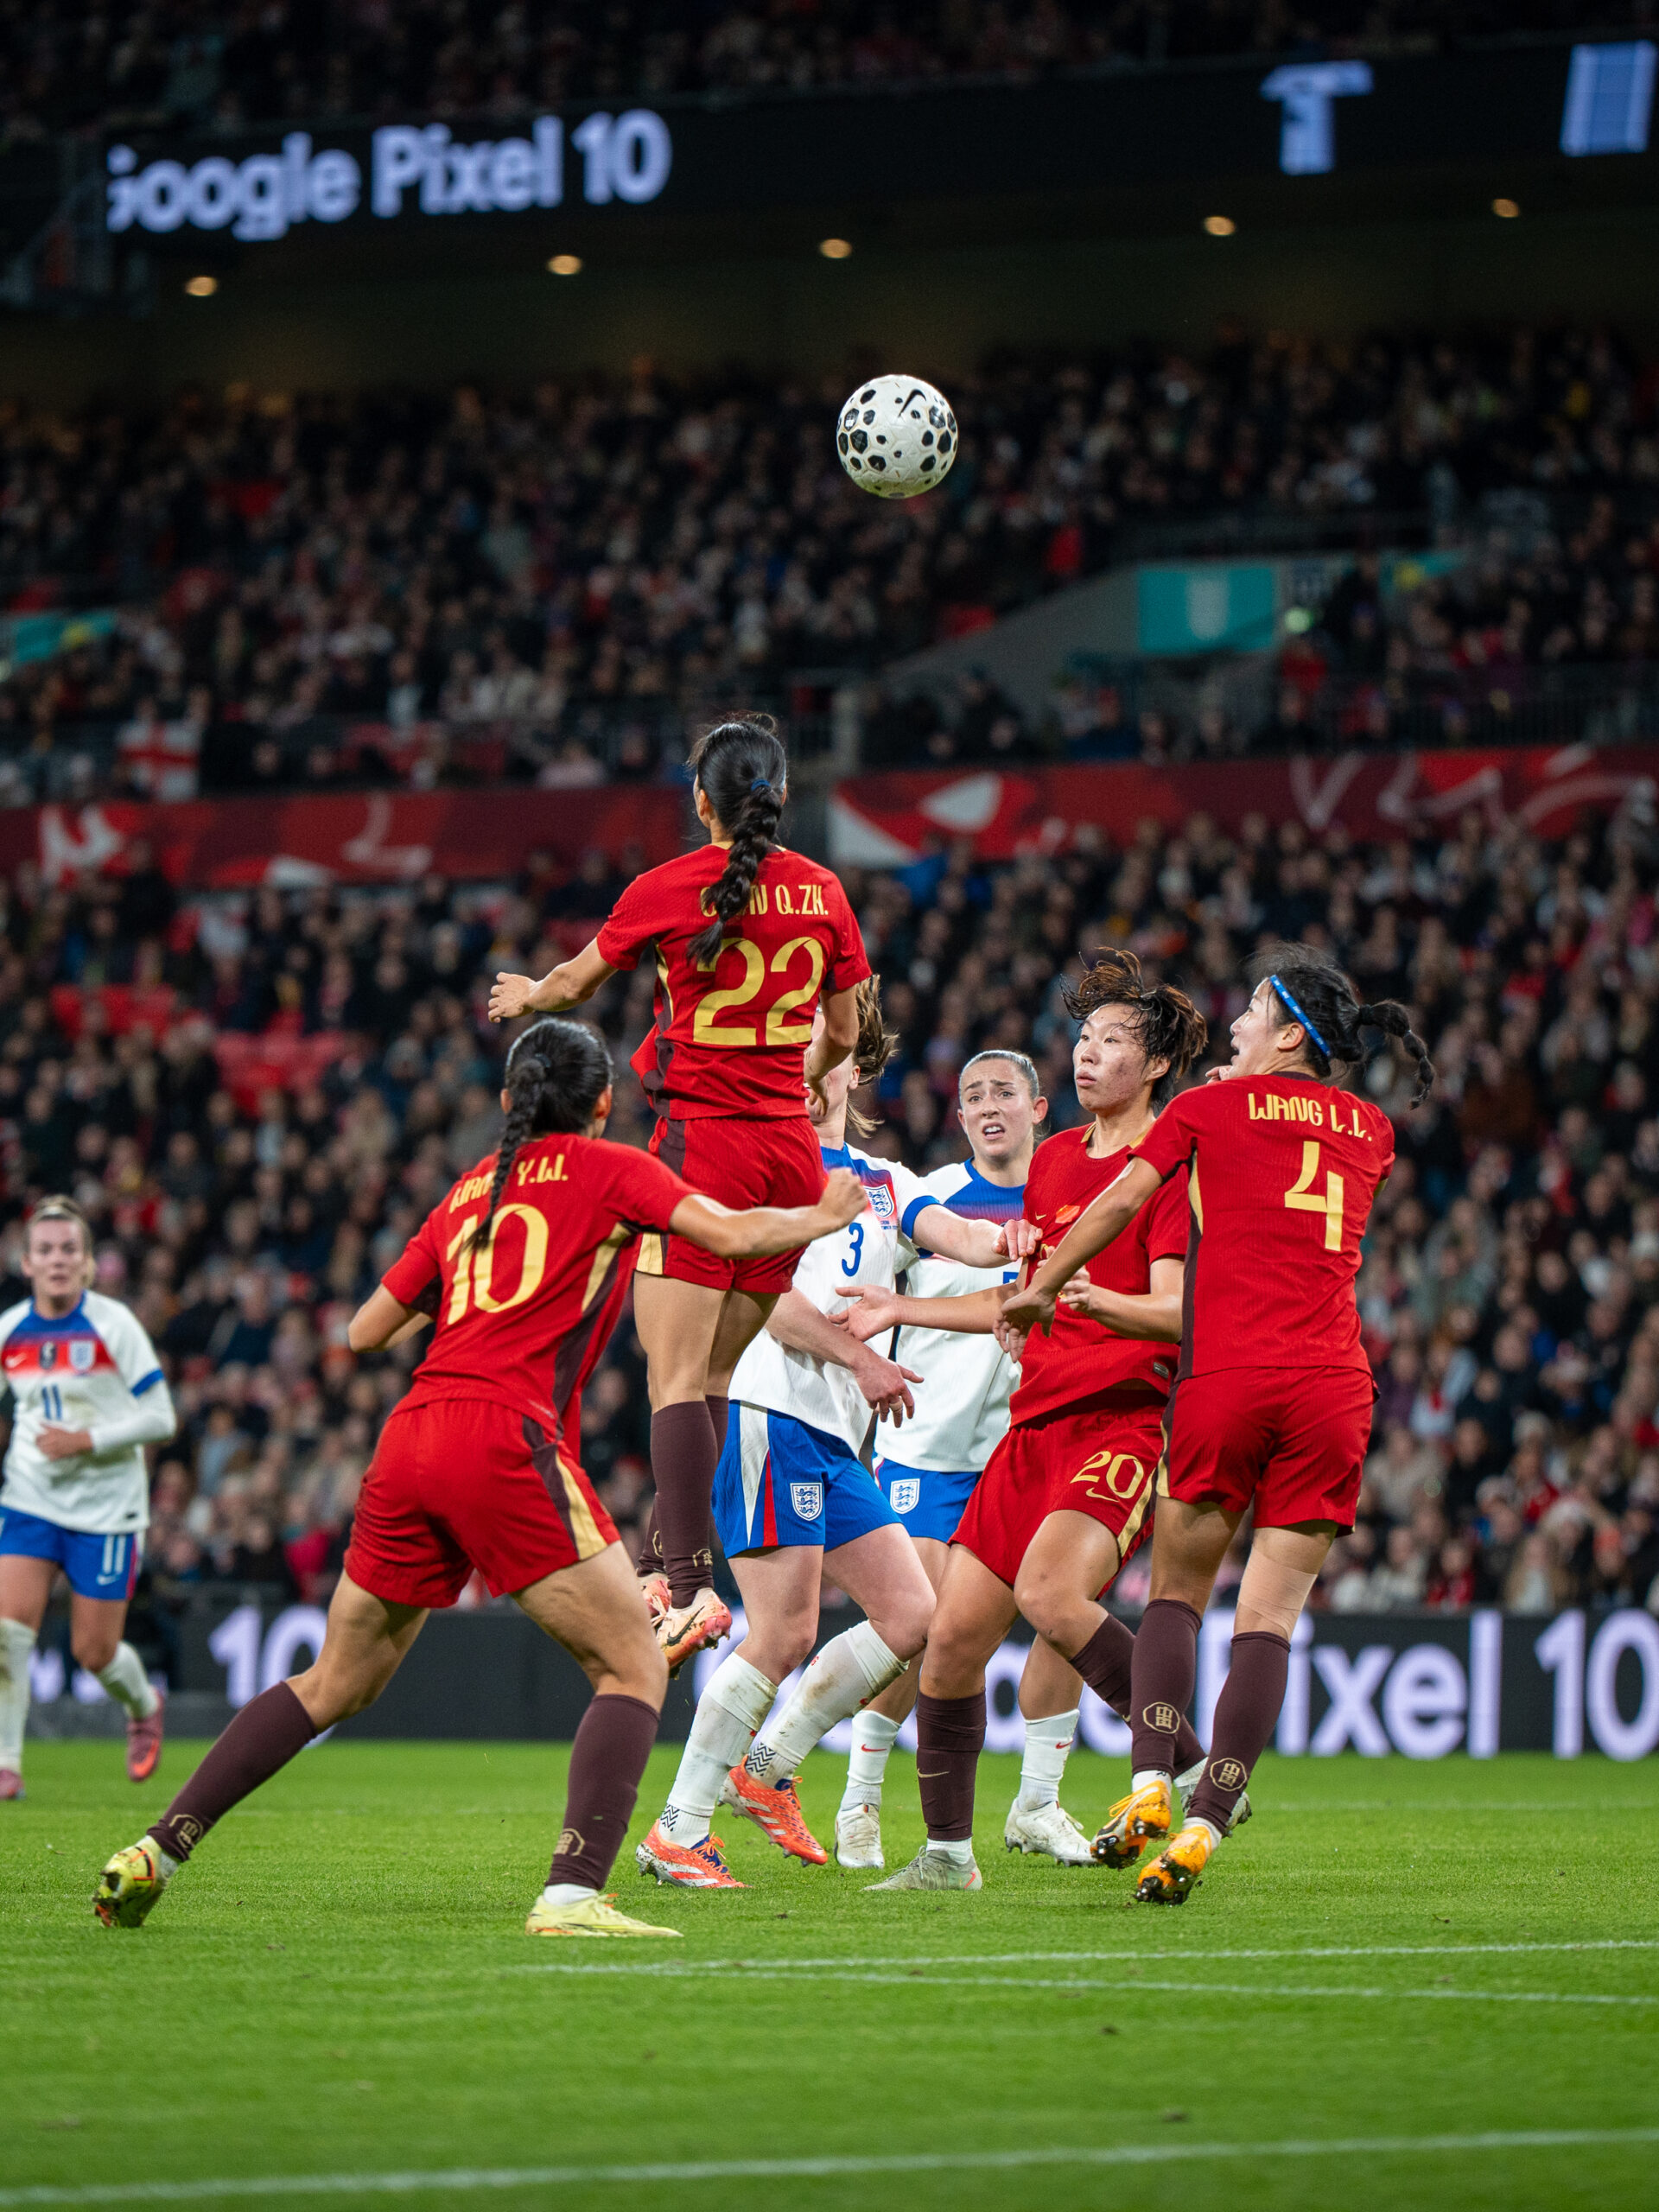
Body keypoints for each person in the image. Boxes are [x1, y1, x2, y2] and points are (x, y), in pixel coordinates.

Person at [93, 1018, 864, 1936]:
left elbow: (363, 1332)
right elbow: (730, 1234)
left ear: (509, 1102)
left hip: (411, 1436)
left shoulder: (469, 1192)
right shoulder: (613, 1168)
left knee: (335, 1680)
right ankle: (574, 1893)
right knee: (628, 1666)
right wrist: (818, 1216)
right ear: (604, 1101)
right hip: (504, 1436)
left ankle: (159, 1846)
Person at [1001, 944, 1431, 1904]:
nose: (1232, 1027)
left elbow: (1121, 1198)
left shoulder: (1204, 1108)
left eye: (1251, 1011)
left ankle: (1153, 1776)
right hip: (1332, 1386)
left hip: (1229, 1374)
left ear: (1287, 1033)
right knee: (1270, 1621)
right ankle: (1204, 1824)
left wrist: (1045, 1287)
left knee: (1176, 1595)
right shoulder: (1371, 1129)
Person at [634, 984, 1038, 1890]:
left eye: (825, 1051)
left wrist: (1020, 1236)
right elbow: (767, 1304)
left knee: (914, 1617)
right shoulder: (765, 1176)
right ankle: (678, 1826)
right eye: (793, 1052)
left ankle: (768, 1765)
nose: (809, 1069)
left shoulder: (886, 1182)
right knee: (781, 1634)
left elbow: (966, 1240)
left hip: (835, 1438)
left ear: (856, 1068)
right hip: (770, 1411)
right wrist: (861, 1359)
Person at [488, 718, 869, 1675]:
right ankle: (667, 1569)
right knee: (709, 1381)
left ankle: (693, 1589)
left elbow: (576, 982)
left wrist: (527, 995)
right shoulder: (823, 891)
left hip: (705, 1148)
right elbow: (848, 1026)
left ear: (701, 800)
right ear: (777, 794)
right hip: (789, 1150)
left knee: (672, 1376)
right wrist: (800, 1076)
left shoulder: (665, 888)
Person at [850, 953, 1219, 1893]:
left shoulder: (1167, 1170)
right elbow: (1021, 1302)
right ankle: (945, 1856)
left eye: (1112, 1042)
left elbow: (1177, 1312)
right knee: (951, 1642)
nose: (1088, 1055)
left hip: (1117, 1423)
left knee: (1054, 1599)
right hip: (1031, 1428)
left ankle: (1196, 1762)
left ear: (1157, 1067)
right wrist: (904, 1312)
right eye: (1084, 1038)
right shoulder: (1054, 1163)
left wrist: (1085, 1297)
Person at [830, 1049, 1092, 1872]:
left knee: (1064, 1615)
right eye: (973, 1094)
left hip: (1029, 1445)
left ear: (1039, 1108)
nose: (988, 1106)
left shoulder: (1073, 1204)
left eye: (1004, 1093)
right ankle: (860, 1800)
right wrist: (867, 1371)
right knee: (921, 1628)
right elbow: (863, 1295)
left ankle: (1039, 1804)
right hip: (926, 1448)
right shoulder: (930, 1198)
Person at [0, 1198, 176, 1801]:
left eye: (68, 1250)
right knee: (7, 1630)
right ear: (25, 1262)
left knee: (94, 1650)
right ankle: (8, 1764)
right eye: (45, 1250)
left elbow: (161, 1417)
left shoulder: (113, 1326)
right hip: (30, 1496)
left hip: (106, 1508)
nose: (57, 1260)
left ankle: (143, 1702)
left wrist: (86, 1440)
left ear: (88, 1264)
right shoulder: (9, 1332)